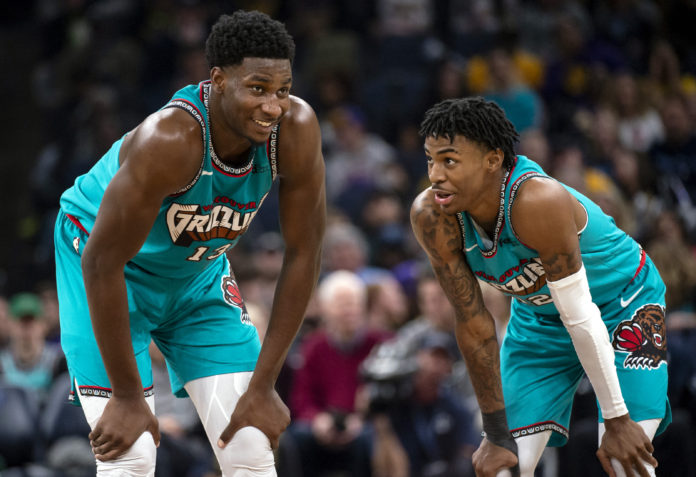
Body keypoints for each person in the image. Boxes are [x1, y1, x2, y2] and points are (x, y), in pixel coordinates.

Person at [53, 10, 325, 477]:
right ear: (218, 80)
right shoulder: (171, 139)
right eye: (257, 89)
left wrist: (263, 384)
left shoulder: (295, 130)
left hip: (197, 273)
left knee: (251, 448)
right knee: (131, 455)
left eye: (282, 89)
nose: (273, 106)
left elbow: (304, 254)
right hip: (105, 264)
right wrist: (125, 395)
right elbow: (102, 261)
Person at [410, 97, 670, 477]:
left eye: (449, 160)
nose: (435, 174)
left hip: (623, 304)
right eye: (430, 159)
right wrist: (496, 433)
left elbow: (581, 316)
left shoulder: (537, 201)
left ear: (492, 160)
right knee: (504, 467)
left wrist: (616, 420)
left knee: (624, 459)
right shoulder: (433, 216)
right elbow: (473, 324)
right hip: (539, 319)